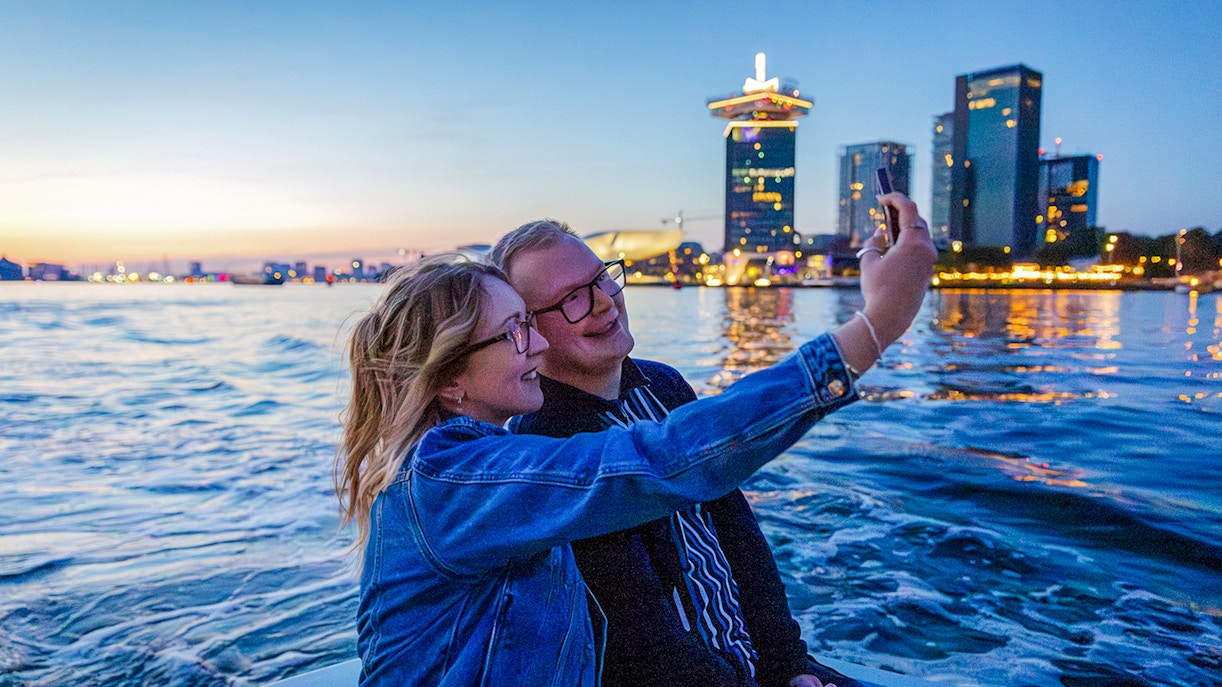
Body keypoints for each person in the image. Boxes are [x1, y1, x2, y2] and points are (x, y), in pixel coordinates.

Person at [335, 193, 935, 686]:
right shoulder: (452, 483)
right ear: (451, 378)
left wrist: (785, 667)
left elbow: (728, 530)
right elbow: (657, 466)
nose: (538, 346)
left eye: (599, 280)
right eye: (517, 332)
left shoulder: (488, 465)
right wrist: (876, 325)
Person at [491, 221, 859, 687]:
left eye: (601, 277)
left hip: (758, 664)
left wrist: (788, 665)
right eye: (572, 300)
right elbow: (638, 635)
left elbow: (739, 538)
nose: (605, 301)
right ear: (529, 332)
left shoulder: (663, 385)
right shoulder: (549, 450)